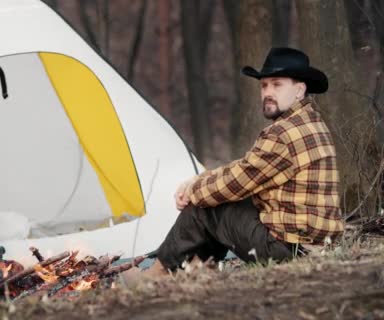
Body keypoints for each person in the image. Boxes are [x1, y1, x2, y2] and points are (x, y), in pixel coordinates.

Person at [146, 47, 345, 276]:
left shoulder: (283, 133)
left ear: (299, 90)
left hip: (289, 252)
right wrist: (200, 180)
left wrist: (193, 191)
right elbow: (246, 167)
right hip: (315, 247)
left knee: (207, 206)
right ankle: (195, 270)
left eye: (277, 84)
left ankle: (159, 272)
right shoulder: (311, 123)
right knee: (220, 200)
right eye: (264, 85)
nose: (268, 92)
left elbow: (236, 183)